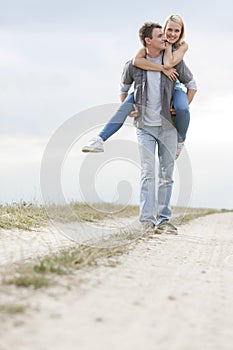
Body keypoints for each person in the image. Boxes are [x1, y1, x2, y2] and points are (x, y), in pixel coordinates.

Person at [82, 15, 196, 159]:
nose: (172, 34)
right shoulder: (155, 45)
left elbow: (170, 64)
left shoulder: (181, 46)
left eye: (177, 31)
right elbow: (136, 61)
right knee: (124, 107)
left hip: (174, 88)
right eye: (169, 30)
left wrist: (167, 51)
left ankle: (180, 141)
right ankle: (99, 139)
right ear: (165, 28)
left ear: (181, 32)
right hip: (146, 89)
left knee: (183, 108)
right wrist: (162, 68)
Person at [120, 21, 196, 234]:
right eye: (161, 35)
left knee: (166, 174)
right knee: (147, 173)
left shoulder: (175, 63)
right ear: (148, 40)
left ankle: (163, 220)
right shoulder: (134, 64)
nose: (166, 38)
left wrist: (180, 107)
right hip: (144, 126)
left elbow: (192, 85)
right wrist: (128, 107)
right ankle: (146, 220)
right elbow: (123, 88)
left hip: (168, 127)